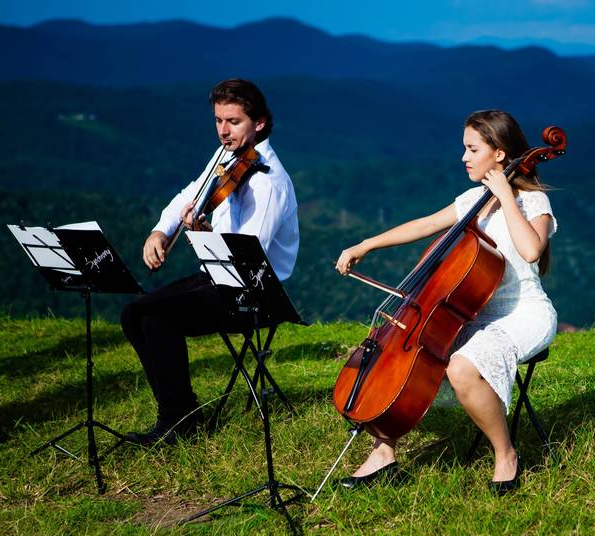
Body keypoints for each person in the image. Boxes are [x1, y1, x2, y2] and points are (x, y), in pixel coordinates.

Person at [335, 109, 557, 495]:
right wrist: (366, 244)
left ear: (500, 154)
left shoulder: (532, 203)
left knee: (461, 367)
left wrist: (506, 197)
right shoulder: (473, 199)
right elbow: (424, 224)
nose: (464, 157)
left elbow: (531, 250)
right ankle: (383, 452)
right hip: (472, 312)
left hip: (524, 314)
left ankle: (505, 454)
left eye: (472, 149)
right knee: (409, 358)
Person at [122, 78, 299, 445]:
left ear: (260, 123)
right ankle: (177, 411)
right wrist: (160, 232)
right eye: (218, 120)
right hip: (217, 275)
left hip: (255, 291)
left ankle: (180, 421)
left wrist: (203, 237)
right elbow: (191, 193)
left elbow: (248, 256)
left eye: (233, 121)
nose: (223, 130)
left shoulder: (270, 183)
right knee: (133, 314)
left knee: (157, 318)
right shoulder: (226, 157)